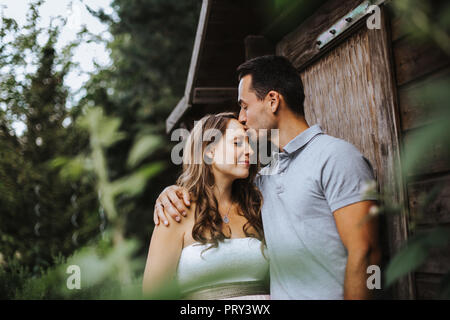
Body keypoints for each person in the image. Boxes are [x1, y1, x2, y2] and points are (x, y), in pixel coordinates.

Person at [153, 55, 382, 300]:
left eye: (244, 105)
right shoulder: (262, 182)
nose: (241, 116)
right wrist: (170, 193)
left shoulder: (336, 157)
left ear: (272, 101)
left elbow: (366, 253)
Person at [142, 112, 270, 300]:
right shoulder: (177, 210)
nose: (250, 151)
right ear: (209, 150)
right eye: (237, 143)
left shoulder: (256, 206)